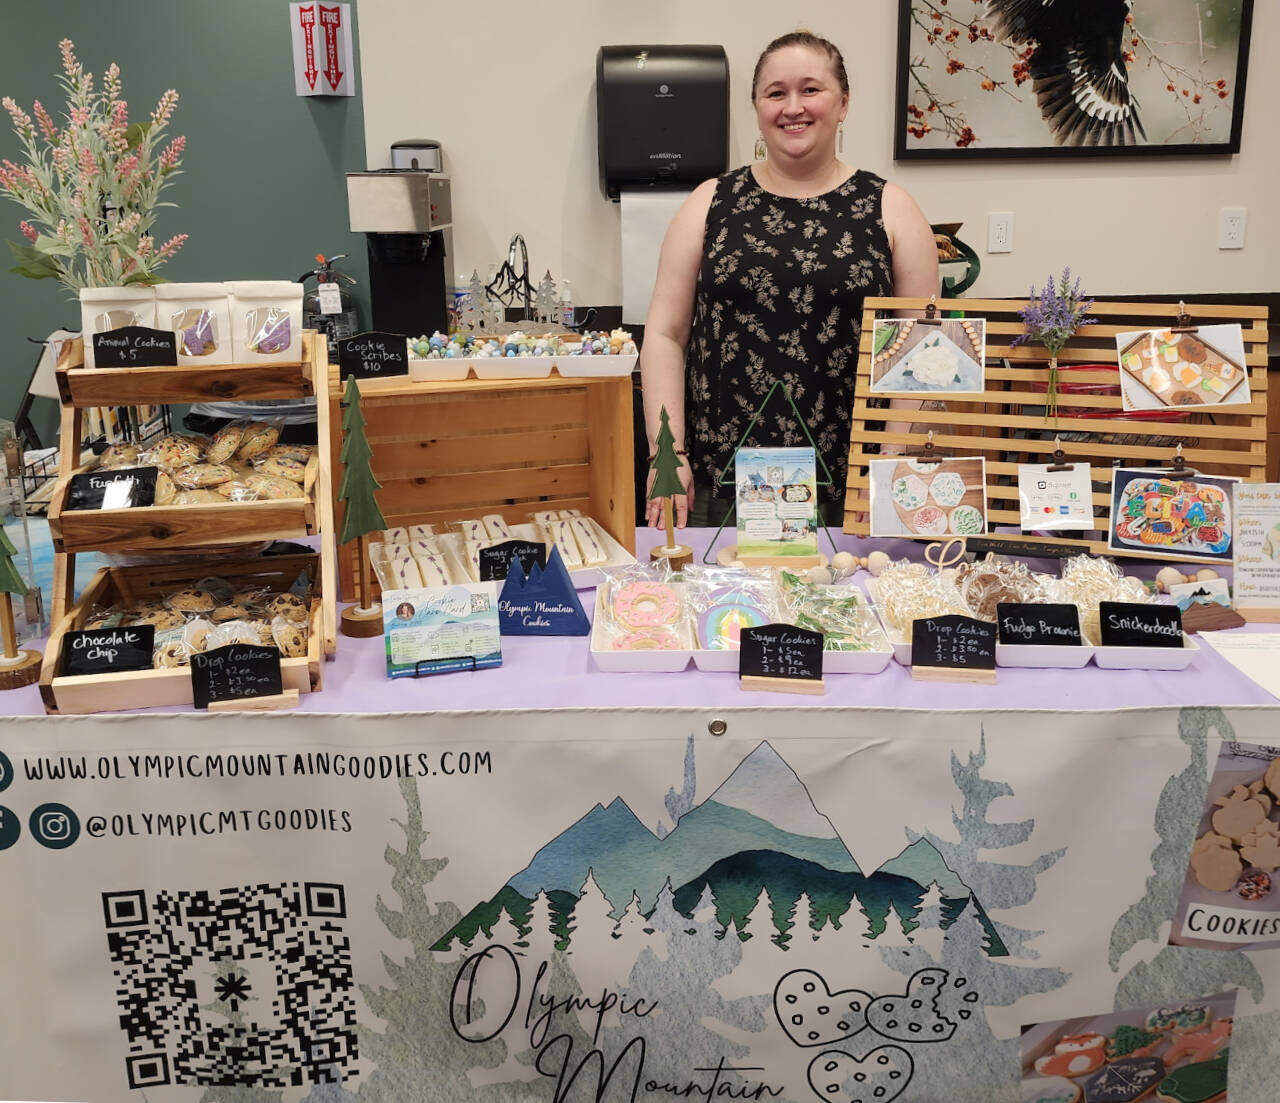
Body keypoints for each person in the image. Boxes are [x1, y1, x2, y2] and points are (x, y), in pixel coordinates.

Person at [640, 30, 939, 527]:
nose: (792, 107)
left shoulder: (893, 208)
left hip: (850, 484)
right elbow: (665, 336)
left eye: (811, 89)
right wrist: (666, 457)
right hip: (721, 484)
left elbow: (921, 350)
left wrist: (889, 465)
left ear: (843, 103)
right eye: (775, 93)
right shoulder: (709, 202)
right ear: (757, 107)